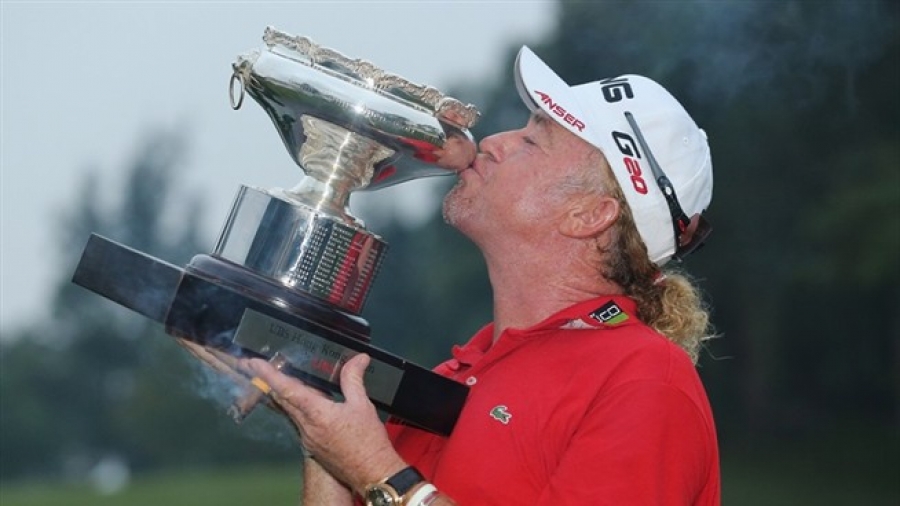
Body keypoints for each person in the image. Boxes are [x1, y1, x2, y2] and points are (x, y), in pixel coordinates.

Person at [245, 46, 720, 505]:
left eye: (533, 140)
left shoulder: (645, 381)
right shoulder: (457, 373)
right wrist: (322, 436)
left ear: (588, 215)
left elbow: (383, 480)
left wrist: (376, 471)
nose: (492, 143)